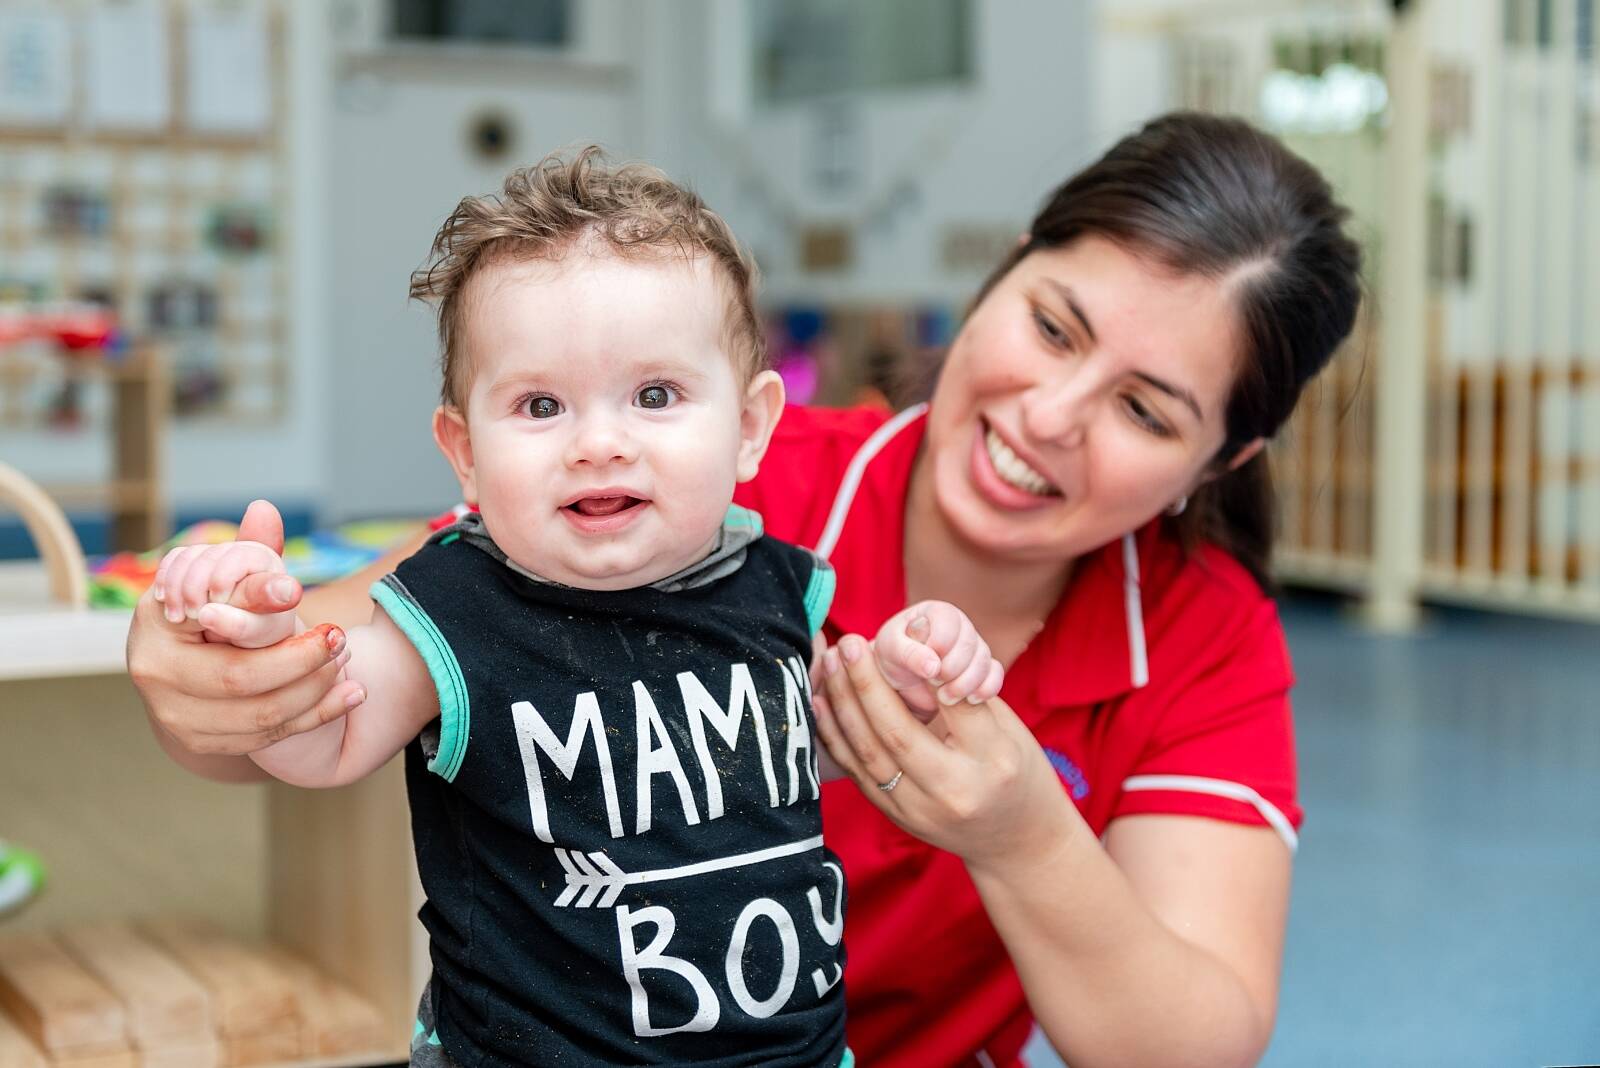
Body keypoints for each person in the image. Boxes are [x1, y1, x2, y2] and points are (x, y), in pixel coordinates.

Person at [127, 112, 1364, 1068]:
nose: (1048, 417)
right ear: (1005, 272)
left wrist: (1023, 835)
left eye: (1146, 410)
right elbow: (341, 672)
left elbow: (1191, 1040)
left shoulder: (1204, 638)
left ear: (1226, 458)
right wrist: (207, 658)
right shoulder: (688, 493)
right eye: (1052, 326)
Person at [146, 150, 1002, 1068]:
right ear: (465, 452)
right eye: (542, 404)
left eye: (655, 396)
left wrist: (910, 678)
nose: (600, 443)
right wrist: (261, 642)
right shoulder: (452, 610)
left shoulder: (781, 586)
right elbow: (320, 739)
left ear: (752, 427)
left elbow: (808, 756)